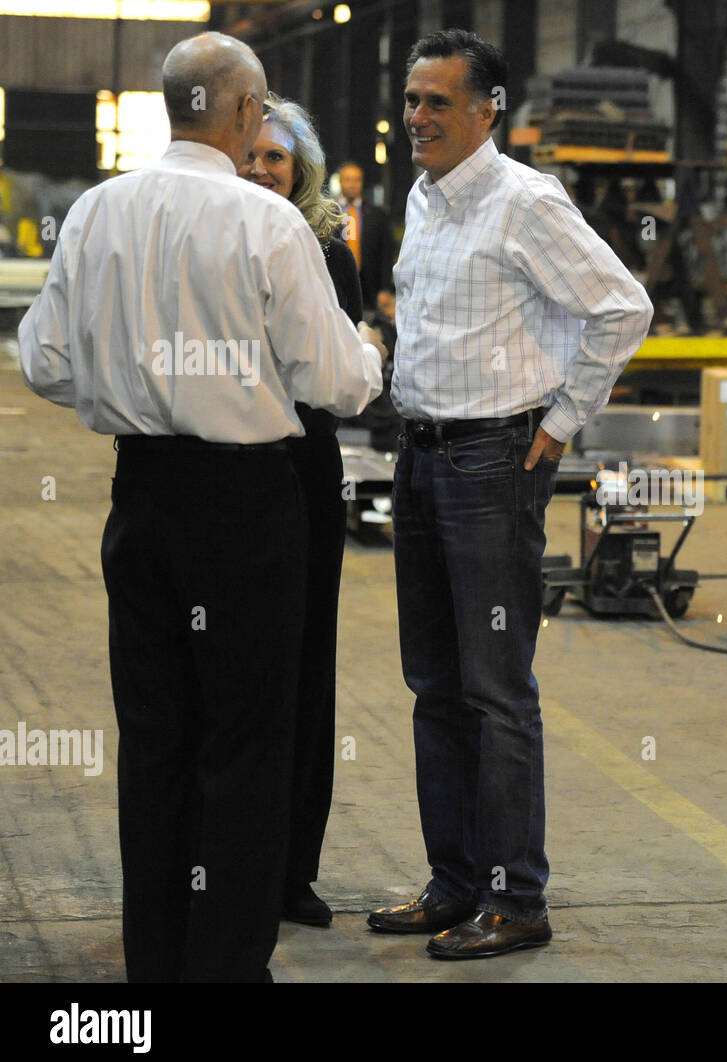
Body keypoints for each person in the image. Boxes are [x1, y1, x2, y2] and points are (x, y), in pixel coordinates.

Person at [18, 32, 383, 982]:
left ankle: (158, 961)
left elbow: (45, 361)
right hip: (246, 509)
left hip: (142, 498)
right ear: (247, 113)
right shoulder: (269, 226)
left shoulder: (98, 212)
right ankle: (225, 965)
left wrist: (134, 379)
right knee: (246, 740)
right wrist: (370, 342)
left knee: (156, 736)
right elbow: (338, 381)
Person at [366, 29, 652, 958]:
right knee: (434, 685)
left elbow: (622, 306)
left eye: (438, 102)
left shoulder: (526, 201)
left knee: (495, 691)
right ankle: (454, 883)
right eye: (412, 100)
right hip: (421, 456)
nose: (418, 118)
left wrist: (564, 419)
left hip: (495, 466)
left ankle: (515, 896)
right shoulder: (425, 195)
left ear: (487, 110)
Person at [237, 93, 361, 929]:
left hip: (303, 468)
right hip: (233, 466)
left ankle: (291, 870)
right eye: (248, 156)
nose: (260, 170)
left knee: (306, 666)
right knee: (241, 670)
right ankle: (234, 863)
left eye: (275, 158)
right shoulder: (215, 235)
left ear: (302, 168)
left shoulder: (325, 249)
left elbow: (338, 372)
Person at [337, 160, 395, 311]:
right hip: (337, 285)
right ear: (340, 181)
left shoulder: (377, 214)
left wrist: (384, 288)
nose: (352, 184)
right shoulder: (329, 212)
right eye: (348, 179)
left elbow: (386, 253)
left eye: (357, 180)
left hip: (369, 287)